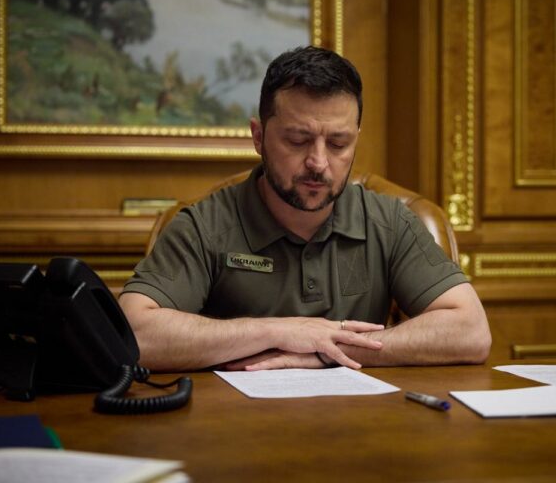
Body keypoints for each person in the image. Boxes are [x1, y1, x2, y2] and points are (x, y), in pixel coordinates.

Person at [119, 46, 491, 372]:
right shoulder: (204, 225)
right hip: (234, 423)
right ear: (258, 137)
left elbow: (471, 331)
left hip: (364, 422)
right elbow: (133, 334)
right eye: (298, 140)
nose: (318, 162)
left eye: (338, 143)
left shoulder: (389, 222)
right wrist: (280, 332)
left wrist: (328, 350)